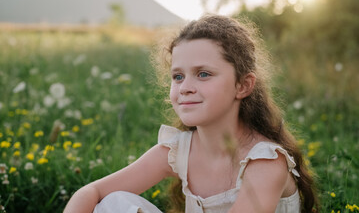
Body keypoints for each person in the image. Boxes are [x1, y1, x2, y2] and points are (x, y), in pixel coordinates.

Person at [64, 15, 318, 213]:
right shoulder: (178, 151)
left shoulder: (264, 162)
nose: (185, 87)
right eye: (178, 76)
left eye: (203, 74)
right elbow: (92, 192)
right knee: (114, 202)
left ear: (243, 85)